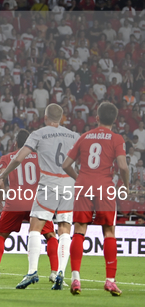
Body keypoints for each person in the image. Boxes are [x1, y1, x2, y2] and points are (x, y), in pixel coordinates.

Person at [0, 103, 79, 290]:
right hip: (69, 184)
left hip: (49, 184)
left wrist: (2, 174)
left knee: (35, 227)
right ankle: (59, 273)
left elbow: (18, 158)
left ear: (45, 118)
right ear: (62, 118)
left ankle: (32, 271)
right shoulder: (74, 136)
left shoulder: (38, 134)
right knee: (63, 229)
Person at [62, 102, 128, 296]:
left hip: (83, 185)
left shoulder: (84, 137)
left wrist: (80, 178)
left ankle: (75, 279)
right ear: (114, 120)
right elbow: (123, 166)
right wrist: (126, 184)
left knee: (79, 231)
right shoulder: (116, 138)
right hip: (105, 187)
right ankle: (110, 281)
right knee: (109, 232)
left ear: (96, 118)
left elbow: (66, 164)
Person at [0, 130, 58, 285]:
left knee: (1, 235)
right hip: (36, 202)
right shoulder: (41, 158)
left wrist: (1, 199)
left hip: (15, 202)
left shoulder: (6, 158)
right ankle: (54, 273)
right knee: (50, 236)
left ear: (16, 143)